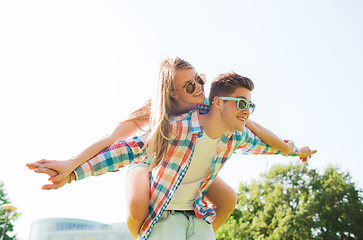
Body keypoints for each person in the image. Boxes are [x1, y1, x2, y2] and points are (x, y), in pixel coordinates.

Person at [28, 70, 316, 239]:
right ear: (218, 103)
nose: (246, 111)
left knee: (227, 199)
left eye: (250, 106)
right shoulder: (173, 129)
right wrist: (73, 172)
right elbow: (121, 150)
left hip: (196, 214)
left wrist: (296, 151)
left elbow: (271, 145)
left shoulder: (236, 135)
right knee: (138, 204)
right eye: (241, 103)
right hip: (153, 187)